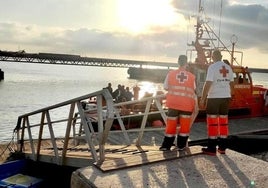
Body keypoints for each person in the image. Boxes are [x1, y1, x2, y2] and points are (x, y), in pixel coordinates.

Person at [199, 49, 234, 156]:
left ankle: (211, 148)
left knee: (212, 123)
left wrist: (203, 98)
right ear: (221, 56)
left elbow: (208, 83)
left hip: (214, 97)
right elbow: (232, 84)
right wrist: (230, 95)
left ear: (213, 57)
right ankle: (222, 148)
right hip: (226, 97)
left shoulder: (212, 67)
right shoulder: (228, 68)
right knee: (223, 123)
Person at [159, 55, 197, 151]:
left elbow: (166, 87)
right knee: (184, 127)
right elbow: (194, 89)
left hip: (173, 104)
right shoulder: (191, 77)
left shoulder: (171, 74)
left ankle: (166, 146)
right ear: (186, 63)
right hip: (187, 105)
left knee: (171, 126)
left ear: (178, 62)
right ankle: (181, 145)